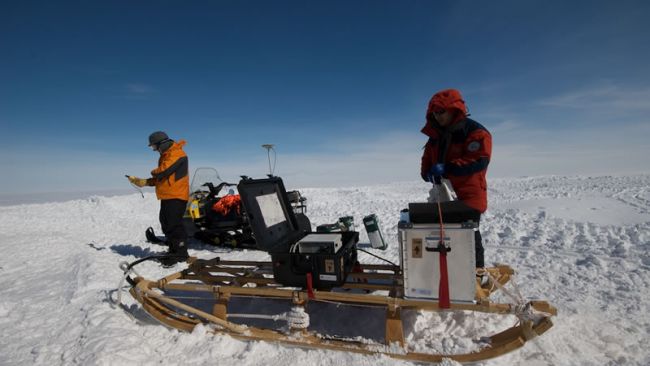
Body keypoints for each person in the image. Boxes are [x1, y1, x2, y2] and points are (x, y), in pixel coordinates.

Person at [420, 89, 492, 268]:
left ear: (454, 109)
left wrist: (447, 168)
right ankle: (449, 273)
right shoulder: (435, 137)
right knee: (443, 235)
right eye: (434, 113)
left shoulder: (475, 132)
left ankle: (476, 274)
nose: (437, 116)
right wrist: (427, 173)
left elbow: (478, 160)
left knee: (468, 234)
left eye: (441, 111)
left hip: (468, 196)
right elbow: (426, 161)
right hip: (443, 196)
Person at [128, 131, 190, 266]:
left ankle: (180, 253)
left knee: (174, 224)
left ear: (161, 144)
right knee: (166, 223)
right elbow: (163, 178)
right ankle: (174, 250)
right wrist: (144, 182)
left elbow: (163, 171)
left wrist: (153, 172)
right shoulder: (166, 155)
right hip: (168, 195)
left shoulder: (177, 154)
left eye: (153, 147)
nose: (153, 150)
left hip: (177, 195)